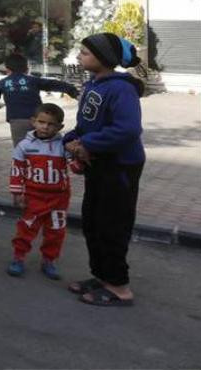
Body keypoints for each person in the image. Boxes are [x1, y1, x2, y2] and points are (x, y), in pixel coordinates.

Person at [63, 33, 145, 307]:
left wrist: (86, 143)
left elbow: (128, 130)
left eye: (85, 52)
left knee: (112, 225)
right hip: (97, 164)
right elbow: (86, 125)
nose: (79, 56)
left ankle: (120, 288)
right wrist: (71, 141)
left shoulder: (121, 89)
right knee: (93, 222)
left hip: (119, 166)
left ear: (104, 58)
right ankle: (102, 276)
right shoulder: (94, 85)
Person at [7, 102, 72, 280]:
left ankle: (49, 260)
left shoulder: (63, 146)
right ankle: (18, 257)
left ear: (60, 127)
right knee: (26, 228)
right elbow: (17, 170)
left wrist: (79, 158)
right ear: (33, 121)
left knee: (56, 231)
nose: (45, 127)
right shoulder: (24, 146)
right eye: (41, 122)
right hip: (33, 196)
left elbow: (74, 165)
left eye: (51, 124)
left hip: (58, 198)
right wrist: (17, 192)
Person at [0, 54, 79, 146]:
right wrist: (73, 91)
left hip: (17, 121)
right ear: (26, 69)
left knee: (21, 146)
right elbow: (53, 84)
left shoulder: (3, 83)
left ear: (7, 69)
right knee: (44, 144)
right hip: (38, 119)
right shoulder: (32, 80)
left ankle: (23, 160)